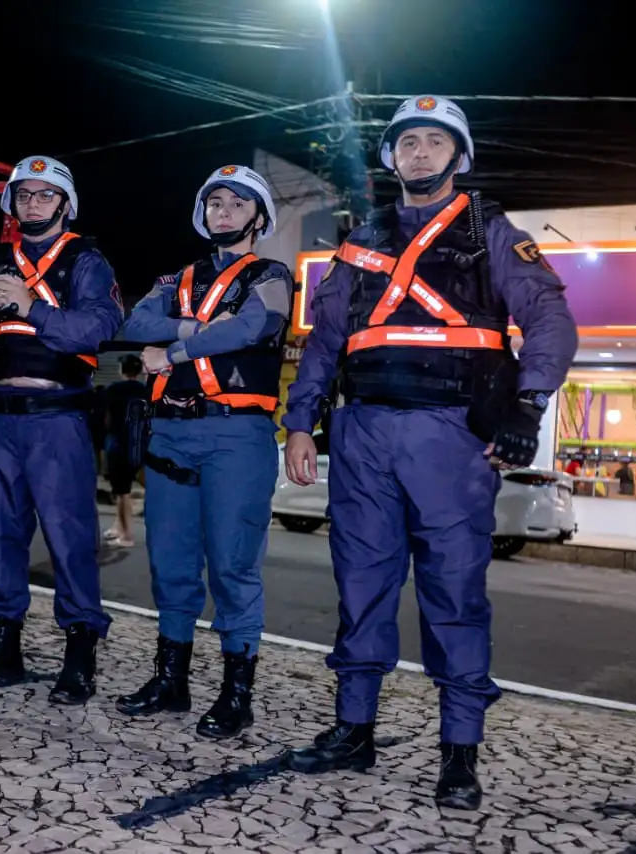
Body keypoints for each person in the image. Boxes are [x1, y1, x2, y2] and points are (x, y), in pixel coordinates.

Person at [280, 95, 578, 809]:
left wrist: (528, 405)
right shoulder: (361, 240)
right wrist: (300, 422)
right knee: (361, 587)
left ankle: (460, 755)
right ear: (392, 157)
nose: (419, 153)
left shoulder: (492, 232)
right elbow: (325, 340)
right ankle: (353, 731)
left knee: (454, 594)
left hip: (450, 437)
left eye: (434, 142)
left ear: (458, 156)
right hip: (363, 433)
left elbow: (550, 319)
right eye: (407, 142)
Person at [116, 165, 292, 740]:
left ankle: (236, 696)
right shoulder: (178, 278)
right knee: (170, 563)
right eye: (215, 202)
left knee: (233, 567)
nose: (224, 211)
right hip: (171, 432)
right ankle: (171, 682)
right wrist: (196, 327)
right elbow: (135, 322)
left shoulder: (272, 274)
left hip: (236, 435)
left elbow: (253, 326)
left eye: (238, 203)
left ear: (259, 217)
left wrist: (171, 351)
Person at [0, 155, 122, 705]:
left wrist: (30, 307)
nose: (33, 203)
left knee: (70, 538)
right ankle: (2, 645)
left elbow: (100, 327)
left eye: (46, 195)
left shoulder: (86, 260)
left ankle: (80, 653)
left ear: (66, 204)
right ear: (11, 204)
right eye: (24, 194)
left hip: (57, 416)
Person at [101, 354, 148, 547]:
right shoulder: (146, 390)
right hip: (140, 443)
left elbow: (106, 417)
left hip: (119, 443)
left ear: (121, 370)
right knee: (125, 488)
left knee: (121, 491)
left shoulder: (113, 389)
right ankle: (118, 526)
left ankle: (126, 535)